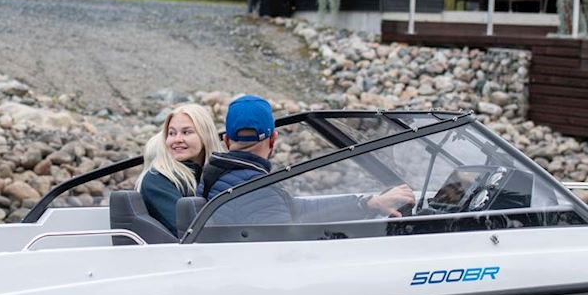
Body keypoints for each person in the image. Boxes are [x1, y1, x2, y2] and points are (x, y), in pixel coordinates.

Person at [198, 94, 414, 226]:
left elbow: (295, 209)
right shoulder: (256, 189)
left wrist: (367, 203)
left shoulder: (214, 176)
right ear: (274, 139)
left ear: (226, 140)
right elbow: (287, 246)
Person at [137, 103, 222, 235]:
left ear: (205, 135)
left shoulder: (221, 174)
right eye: (171, 133)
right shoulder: (157, 181)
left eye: (186, 132)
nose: (177, 139)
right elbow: (192, 230)